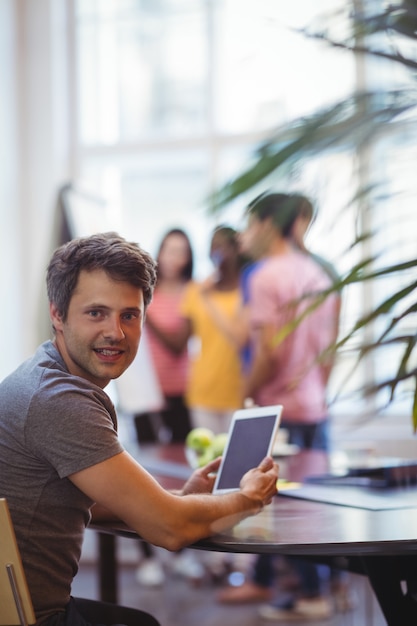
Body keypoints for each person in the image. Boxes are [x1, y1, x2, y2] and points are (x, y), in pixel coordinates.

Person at [0, 231, 279, 626]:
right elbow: (171, 529)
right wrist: (248, 498)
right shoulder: (59, 399)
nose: (115, 331)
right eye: (96, 313)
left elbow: (68, 500)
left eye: (129, 315)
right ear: (57, 314)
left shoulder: (43, 375)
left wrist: (174, 500)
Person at [217, 193, 343, 621]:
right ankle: (278, 582)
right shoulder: (318, 273)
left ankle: (311, 595)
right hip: (312, 405)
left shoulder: (266, 276)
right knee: (307, 505)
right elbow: (330, 351)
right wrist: (315, 390)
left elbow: (266, 353)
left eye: (250, 225)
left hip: (276, 408)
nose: (245, 236)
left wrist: (244, 400)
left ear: (270, 224)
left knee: (280, 510)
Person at [179, 225, 246, 434]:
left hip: (238, 389)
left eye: (224, 247)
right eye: (214, 247)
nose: (218, 254)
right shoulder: (195, 290)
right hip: (203, 389)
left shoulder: (248, 290)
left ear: (237, 250)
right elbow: (182, 340)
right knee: (207, 458)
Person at [134, 228, 194, 444]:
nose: (173, 258)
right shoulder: (145, 291)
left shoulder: (192, 292)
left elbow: (178, 345)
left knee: (180, 452)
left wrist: (146, 316)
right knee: (147, 455)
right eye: (169, 250)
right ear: (159, 252)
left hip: (180, 388)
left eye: (180, 252)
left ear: (188, 258)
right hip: (146, 388)